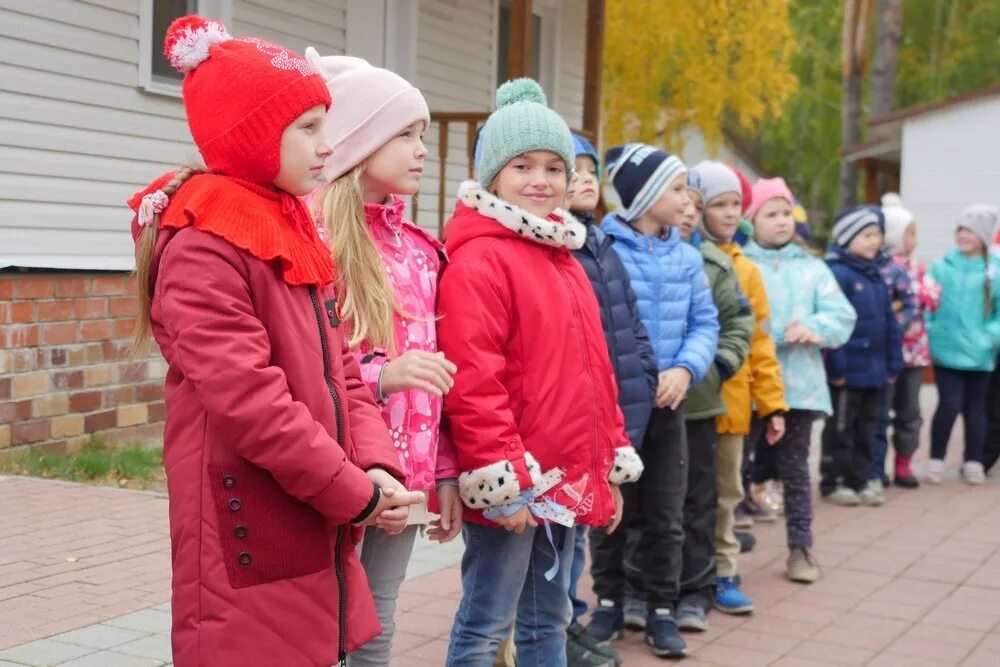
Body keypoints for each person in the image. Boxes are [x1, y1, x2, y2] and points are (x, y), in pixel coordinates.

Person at [127, 17, 423, 667]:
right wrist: (355, 491)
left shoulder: (287, 226)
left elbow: (343, 367)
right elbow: (255, 406)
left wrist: (375, 464)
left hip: (308, 508)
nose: (328, 142)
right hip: (248, 525)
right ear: (254, 132)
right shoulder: (206, 243)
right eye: (309, 127)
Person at [438, 79, 643, 667]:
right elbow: (475, 380)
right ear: (492, 175)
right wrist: (503, 480)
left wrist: (607, 461)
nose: (541, 180)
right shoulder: (480, 259)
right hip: (517, 476)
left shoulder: (563, 257)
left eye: (555, 167)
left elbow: (595, 373)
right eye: (522, 165)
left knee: (549, 619)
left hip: (565, 475)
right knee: (486, 623)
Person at [303, 49, 464, 666]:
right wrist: (382, 376)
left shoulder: (423, 250)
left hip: (408, 473)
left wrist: (444, 471)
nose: (422, 149)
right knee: (325, 611)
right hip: (339, 466)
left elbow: (437, 379)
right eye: (405, 134)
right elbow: (313, 359)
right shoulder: (318, 237)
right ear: (358, 140)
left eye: (423, 134)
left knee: (381, 614)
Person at [587, 143, 719, 659]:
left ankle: (662, 609)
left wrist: (686, 367)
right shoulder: (603, 249)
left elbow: (705, 322)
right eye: (677, 188)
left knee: (667, 511)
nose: (687, 199)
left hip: (669, 407)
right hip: (618, 408)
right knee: (612, 510)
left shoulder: (687, 258)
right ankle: (610, 603)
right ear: (644, 196)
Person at [561, 133, 655, 667]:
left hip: (614, 410)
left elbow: (631, 325)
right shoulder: (560, 246)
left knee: (580, 532)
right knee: (564, 534)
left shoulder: (601, 244)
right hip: (578, 413)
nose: (583, 177)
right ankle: (559, 623)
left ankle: (567, 620)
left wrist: (644, 370)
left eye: (588, 167)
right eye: (568, 167)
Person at [743, 178, 857, 582]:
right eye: (770, 214)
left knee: (795, 470)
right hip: (751, 387)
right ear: (751, 220)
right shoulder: (742, 264)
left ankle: (801, 549)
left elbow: (841, 315)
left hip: (801, 387)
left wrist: (813, 326)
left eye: (786, 213)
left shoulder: (813, 268)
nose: (780, 222)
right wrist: (770, 334)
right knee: (737, 467)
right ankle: (725, 554)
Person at [688, 161, 788, 615]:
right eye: (719, 205)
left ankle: (724, 571)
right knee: (684, 495)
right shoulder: (682, 256)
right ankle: (682, 574)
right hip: (686, 403)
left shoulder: (746, 269)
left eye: (735, 205)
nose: (730, 214)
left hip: (731, 405)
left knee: (726, 494)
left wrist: (772, 404)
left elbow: (760, 340)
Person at [676, 176, 753, 630]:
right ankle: (644, 588)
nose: (691, 210)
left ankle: (713, 577)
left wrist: (717, 369)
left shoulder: (720, 265)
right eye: (707, 203)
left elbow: (744, 328)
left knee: (716, 496)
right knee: (657, 504)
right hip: (655, 405)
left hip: (713, 401)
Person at [821, 206, 902, 506]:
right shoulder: (837, 274)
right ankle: (835, 479)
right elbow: (833, 325)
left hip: (875, 371)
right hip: (847, 372)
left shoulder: (877, 276)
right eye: (866, 235)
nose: (873, 241)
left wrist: (894, 361)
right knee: (841, 427)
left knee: (869, 427)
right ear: (846, 238)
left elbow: (890, 323)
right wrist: (836, 366)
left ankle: (863, 477)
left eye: (877, 235)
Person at [926, 204, 1000, 484]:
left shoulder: (994, 271)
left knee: (976, 408)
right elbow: (927, 305)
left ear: (983, 235)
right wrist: (933, 333)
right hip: (947, 352)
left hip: (981, 354)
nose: (964, 236)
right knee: (949, 404)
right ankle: (936, 458)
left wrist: (990, 338)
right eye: (961, 229)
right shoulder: (941, 267)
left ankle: (974, 460)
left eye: (971, 231)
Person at [878, 193, 939, 488]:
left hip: (914, 355)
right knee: (880, 410)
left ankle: (904, 463)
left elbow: (933, 296)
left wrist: (909, 299)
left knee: (910, 411)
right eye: (909, 233)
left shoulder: (919, 268)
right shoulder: (880, 266)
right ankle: (877, 465)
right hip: (885, 353)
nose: (914, 240)